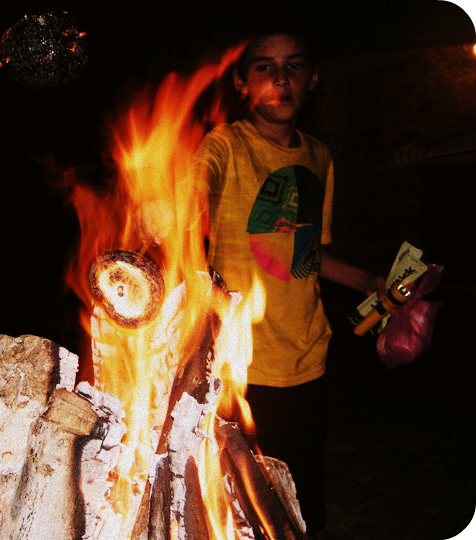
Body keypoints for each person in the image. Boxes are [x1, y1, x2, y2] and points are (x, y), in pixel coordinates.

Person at [190, 28, 386, 535]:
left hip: (308, 356)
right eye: (264, 67)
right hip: (243, 365)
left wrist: (368, 279)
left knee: (301, 507)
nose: (281, 78)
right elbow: (190, 190)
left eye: (295, 65)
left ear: (314, 78)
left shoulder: (319, 156)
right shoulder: (226, 146)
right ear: (241, 82)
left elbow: (304, 253)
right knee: (244, 510)